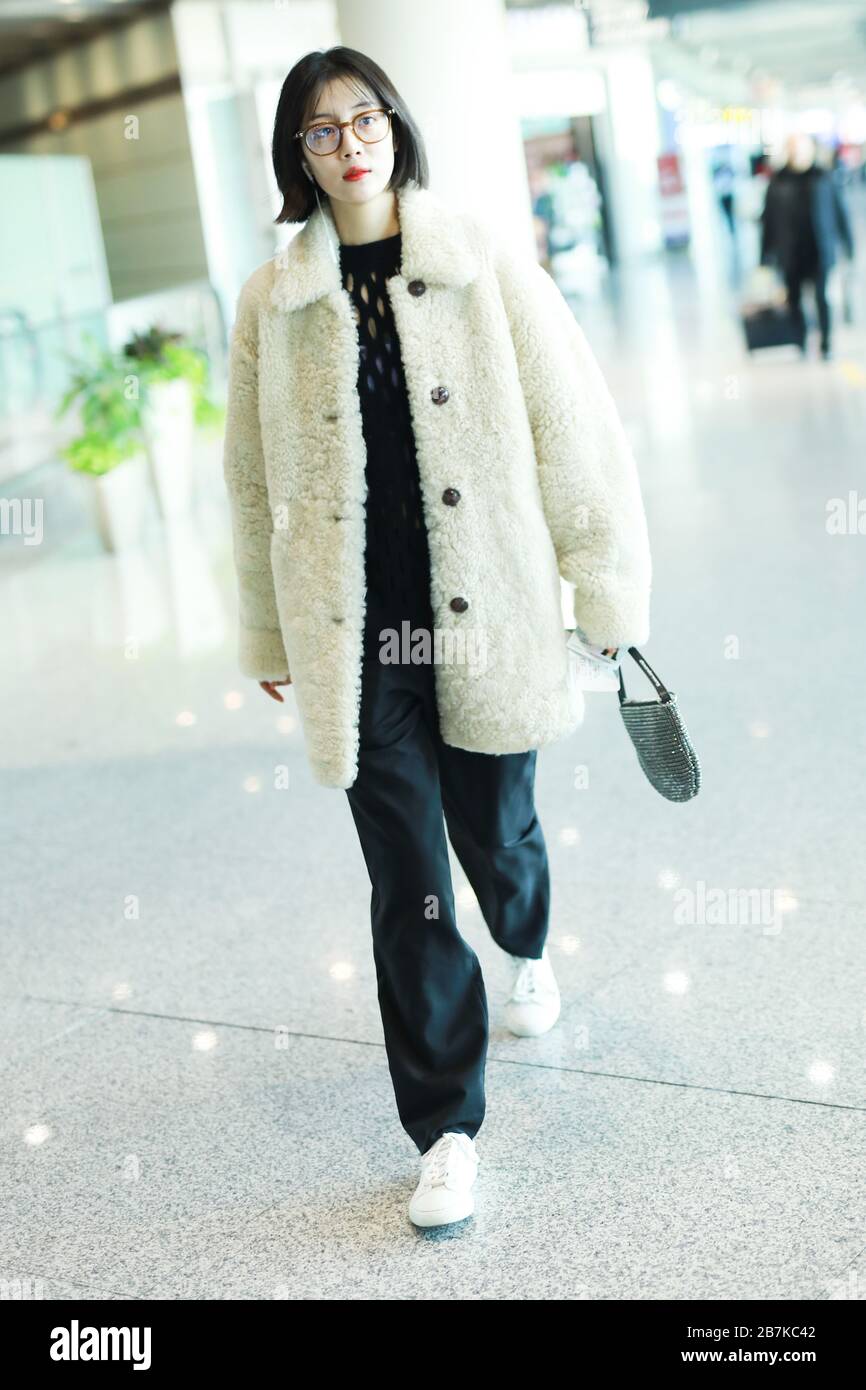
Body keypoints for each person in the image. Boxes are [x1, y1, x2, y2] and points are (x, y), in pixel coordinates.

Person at [221, 46, 652, 1229]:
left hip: (488, 607)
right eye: (320, 129)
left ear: (396, 128)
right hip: (359, 634)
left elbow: (571, 427)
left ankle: (525, 943)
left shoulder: (476, 263)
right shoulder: (274, 300)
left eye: (364, 118)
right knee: (407, 878)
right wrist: (268, 624)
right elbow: (250, 477)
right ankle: (445, 1128)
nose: (349, 142)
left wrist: (600, 586)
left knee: (495, 832)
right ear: (295, 156)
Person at [760, 132, 855, 359]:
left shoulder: (823, 177)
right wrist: (764, 255)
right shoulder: (777, 181)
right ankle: (800, 339)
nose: (797, 152)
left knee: (822, 297)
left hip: (819, 248)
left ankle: (826, 342)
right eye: (793, 148)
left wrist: (848, 244)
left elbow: (840, 212)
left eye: (801, 148)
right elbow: (768, 220)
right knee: (794, 299)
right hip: (790, 251)